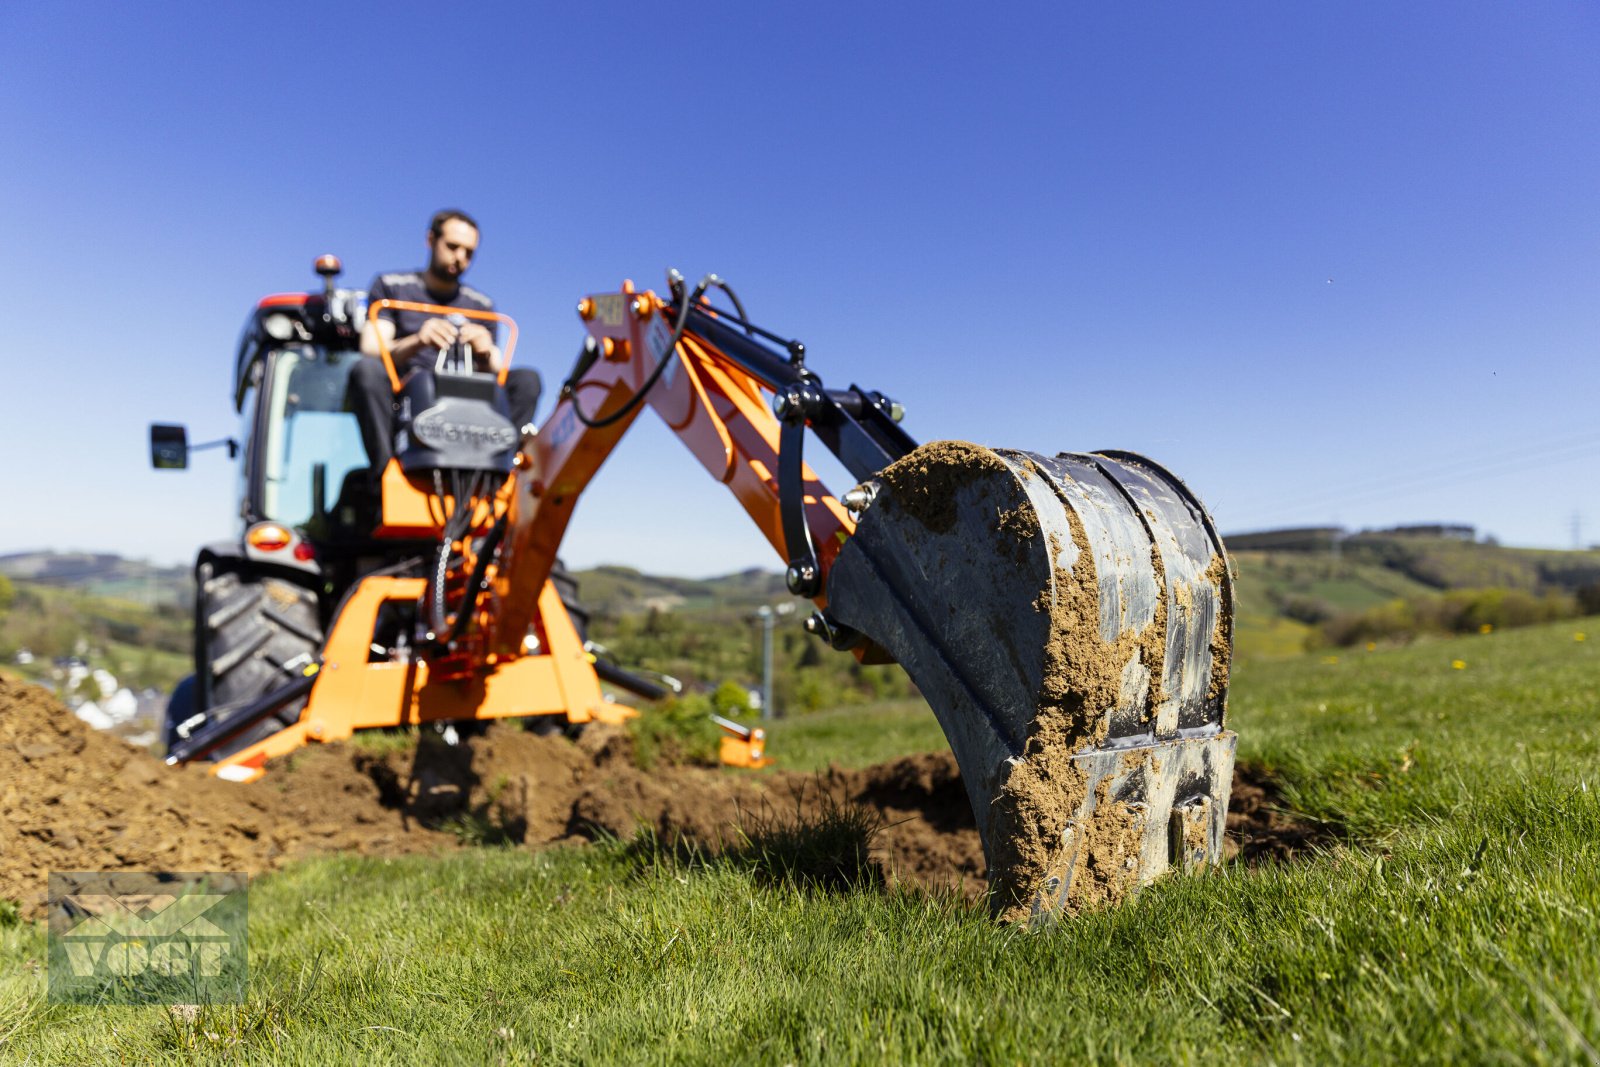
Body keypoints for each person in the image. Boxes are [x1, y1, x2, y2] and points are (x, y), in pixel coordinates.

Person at [348, 209, 542, 472]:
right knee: (367, 371)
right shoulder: (392, 287)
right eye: (452, 246)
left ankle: (502, 470)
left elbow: (495, 371)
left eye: (469, 252)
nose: (460, 257)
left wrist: (484, 352)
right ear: (431, 240)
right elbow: (371, 348)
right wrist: (418, 340)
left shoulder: (480, 305)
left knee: (527, 380)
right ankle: (386, 473)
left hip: (467, 405)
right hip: (405, 402)